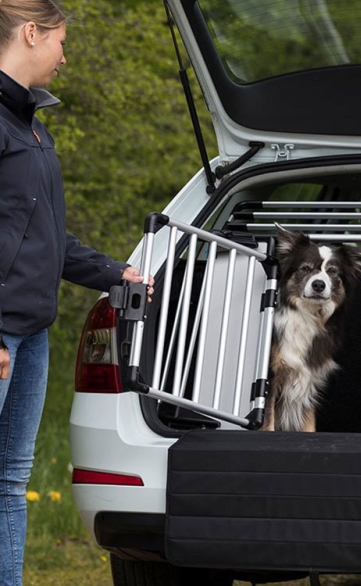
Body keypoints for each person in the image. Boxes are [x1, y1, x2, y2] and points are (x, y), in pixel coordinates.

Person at [0, 2, 152, 584]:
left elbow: (44, 236)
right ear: (31, 33)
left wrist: (117, 273)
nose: (65, 55)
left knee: (11, 482)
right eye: (60, 41)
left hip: (32, 335)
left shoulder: (32, 128)